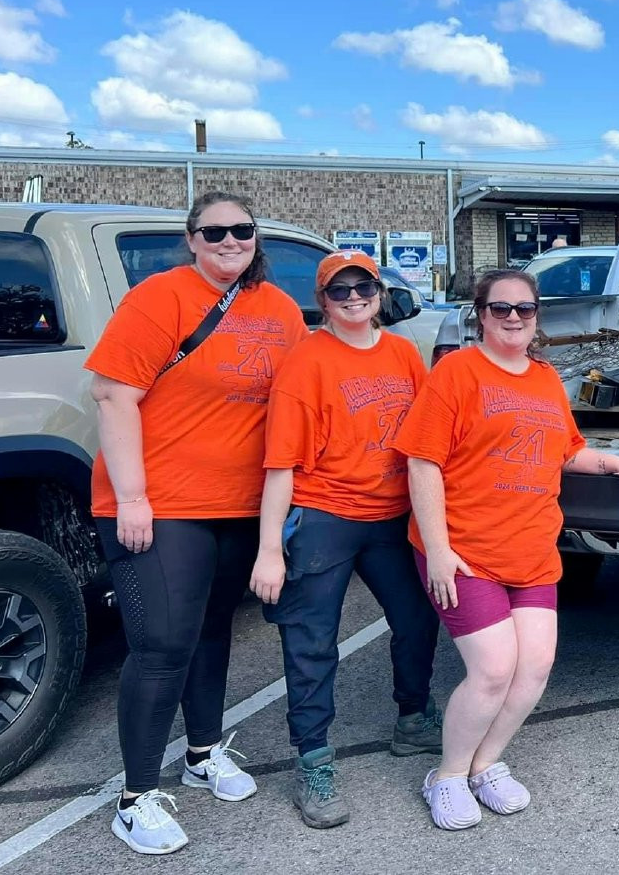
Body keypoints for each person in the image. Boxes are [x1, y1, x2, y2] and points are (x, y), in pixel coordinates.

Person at [394, 268, 619, 830]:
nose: (513, 317)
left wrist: (612, 461)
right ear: (481, 315)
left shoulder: (545, 379)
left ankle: (485, 765)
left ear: (537, 315)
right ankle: (446, 776)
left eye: (524, 308)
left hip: (531, 550)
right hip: (465, 550)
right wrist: (439, 550)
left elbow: (567, 451)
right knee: (493, 670)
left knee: (535, 668)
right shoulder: (456, 373)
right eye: (500, 308)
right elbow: (422, 461)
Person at [88, 191, 307, 854]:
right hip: (160, 503)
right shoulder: (161, 296)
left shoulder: (278, 308)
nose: (229, 241)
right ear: (192, 238)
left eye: (242, 230)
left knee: (212, 630)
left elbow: (298, 400)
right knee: (162, 644)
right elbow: (112, 392)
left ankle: (203, 750)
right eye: (215, 231)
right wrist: (131, 495)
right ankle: (135, 797)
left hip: (237, 504)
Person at [249, 249, 444, 830]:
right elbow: (280, 463)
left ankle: (413, 719)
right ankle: (313, 759)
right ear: (323, 300)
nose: (354, 297)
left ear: (381, 293)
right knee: (312, 643)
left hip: (391, 515)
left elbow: (430, 438)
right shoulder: (305, 362)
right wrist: (267, 551)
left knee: (419, 617)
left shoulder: (405, 354)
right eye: (340, 291)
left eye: (365, 287)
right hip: (324, 514)